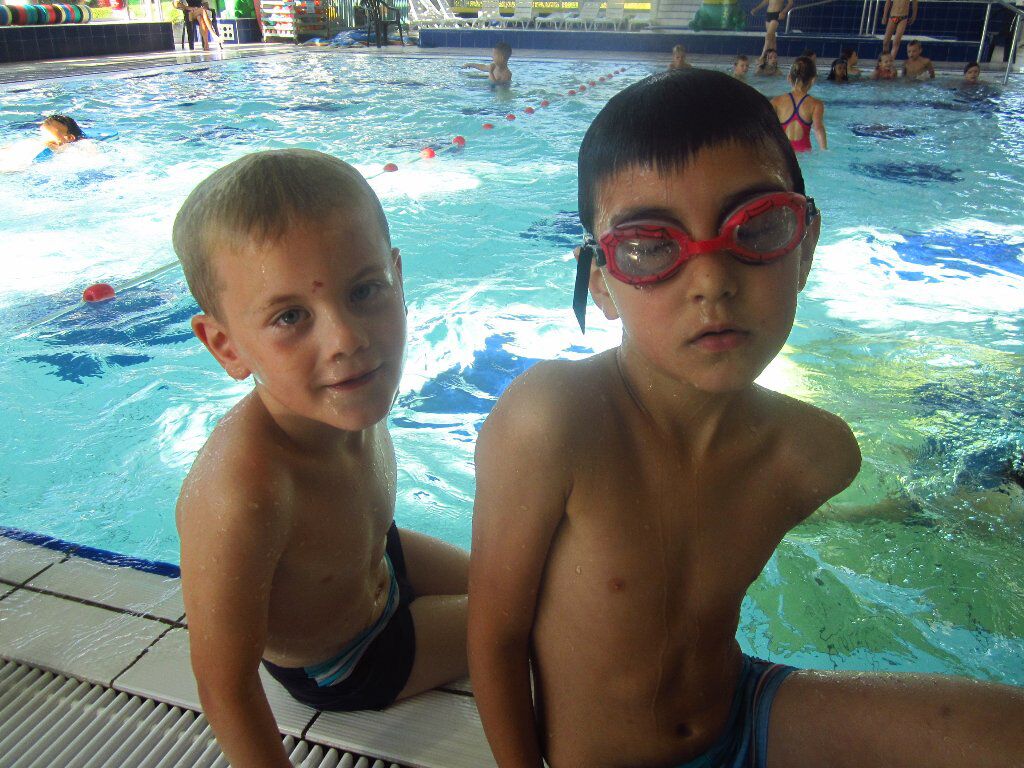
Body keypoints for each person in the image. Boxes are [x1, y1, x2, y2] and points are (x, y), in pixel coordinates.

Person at [468, 67, 1024, 768]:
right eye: (649, 246)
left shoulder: (814, 454)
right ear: (602, 282)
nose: (712, 280)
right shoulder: (553, 421)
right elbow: (494, 639)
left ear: (806, 245)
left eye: (756, 227)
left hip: (747, 713)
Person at [172, 149, 469, 768]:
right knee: (529, 613)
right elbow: (224, 685)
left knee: (527, 576)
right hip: (350, 658)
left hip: (375, 559)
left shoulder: (344, 393)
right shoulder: (244, 489)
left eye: (364, 290)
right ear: (226, 346)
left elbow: (358, 522)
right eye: (290, 316)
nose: (347, 339)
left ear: (398, 279)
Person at [772, 57, 826, 152]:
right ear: (813, 80)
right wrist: (824, 149)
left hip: (783, 153)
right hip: (805, 154)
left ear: (789, 78)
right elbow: (818, 129)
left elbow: (767, 130)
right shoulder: (816, 104)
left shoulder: (776, 101)